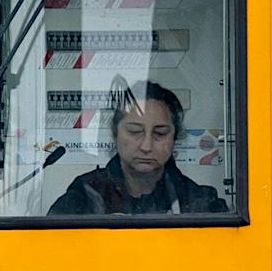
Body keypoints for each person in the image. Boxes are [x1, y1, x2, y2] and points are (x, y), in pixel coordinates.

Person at [49, 79, 227, 217]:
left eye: (160, 133)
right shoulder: (85, 195)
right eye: (135, 131)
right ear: (114, 133)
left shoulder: (201, 202)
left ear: (175, 137)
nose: (146, 146)